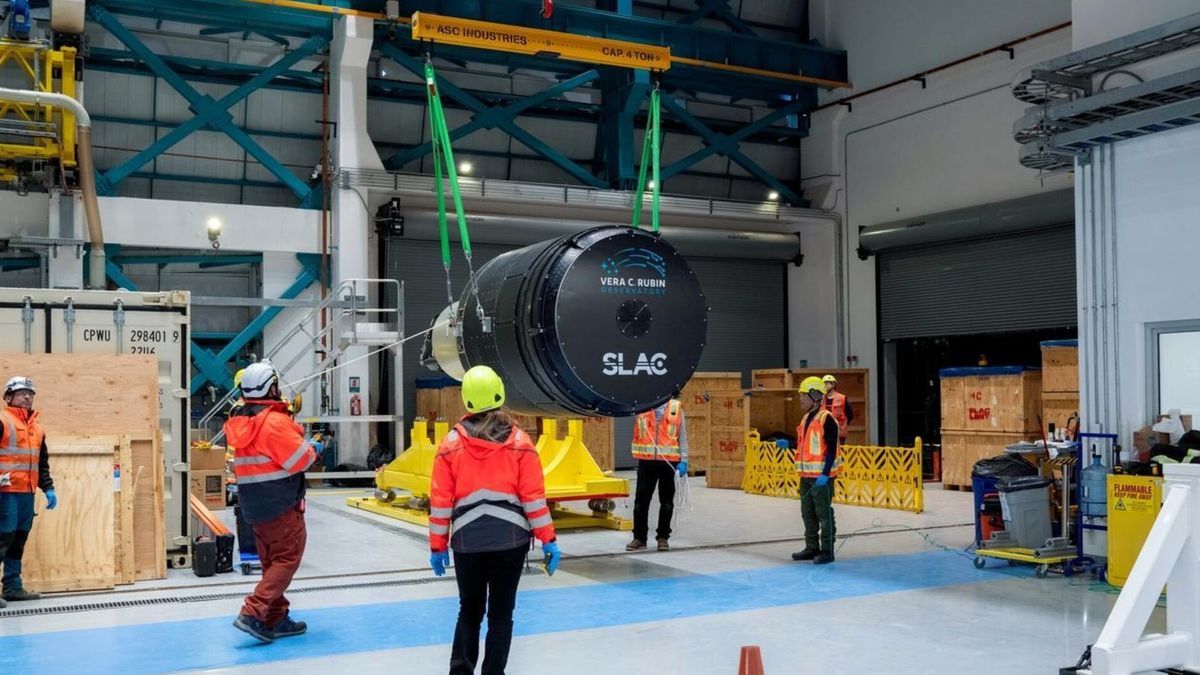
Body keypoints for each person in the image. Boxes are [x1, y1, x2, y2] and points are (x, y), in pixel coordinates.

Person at [429, 365, 559, 675]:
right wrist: (548, 540)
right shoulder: (521, 443)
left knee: (469, 611)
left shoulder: (449, 446)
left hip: (467, 543)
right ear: (500, 393)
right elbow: (533, 500)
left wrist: (437, 546)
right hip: (510, 542)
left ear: (467, 399)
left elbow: (440, 502)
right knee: (502, 615)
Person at [223, 360, 321, 643]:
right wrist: (314, 448)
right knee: (287, 558)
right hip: (280, 504)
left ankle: (275, 618)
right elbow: (300, 460)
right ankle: (252, 613)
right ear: (272, 387)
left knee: (272, 561)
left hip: (253, 506)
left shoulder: (241, 421)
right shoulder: (275, 422)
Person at [0, 376, 56, 605]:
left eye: (30, 393)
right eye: (22, 392)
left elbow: (41, 462)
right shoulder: (3, 421)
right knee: (3, 537)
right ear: (9, 396)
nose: (27, 396)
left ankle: (12, 586)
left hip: (27, 493)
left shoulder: (37, 429)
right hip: (5, 492)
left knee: (18, 540)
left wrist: (49, 488)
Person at [626, 396, 688, 552]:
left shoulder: (676, 408)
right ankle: (639, 538)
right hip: (647, 462)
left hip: (669, 463)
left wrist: (684, 460)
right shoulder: (642, 405)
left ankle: (663, 537)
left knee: (667, 502)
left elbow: (683, 435)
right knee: (641, 501)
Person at [792, 376, 841, 565]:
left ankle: (827, 550)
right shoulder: (806, 418)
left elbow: (831, 449)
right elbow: (803, 445)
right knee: (807, 513)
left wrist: (825, 474)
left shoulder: (827, 419)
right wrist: (787, 443)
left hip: (821, 477)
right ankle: (811, 547)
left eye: (803, 396)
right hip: (806, 476)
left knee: (824, 513)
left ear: (814, 396)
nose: (800, 399)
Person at [821, 374, 854, 444]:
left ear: (833, 384)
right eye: (823, 384)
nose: (824, 385)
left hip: (839, 433)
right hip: (824, 432)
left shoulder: (842, 398)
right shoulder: (821, 399)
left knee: (838, 453)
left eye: (826, 383)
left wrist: (844, 424)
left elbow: (850, 414)